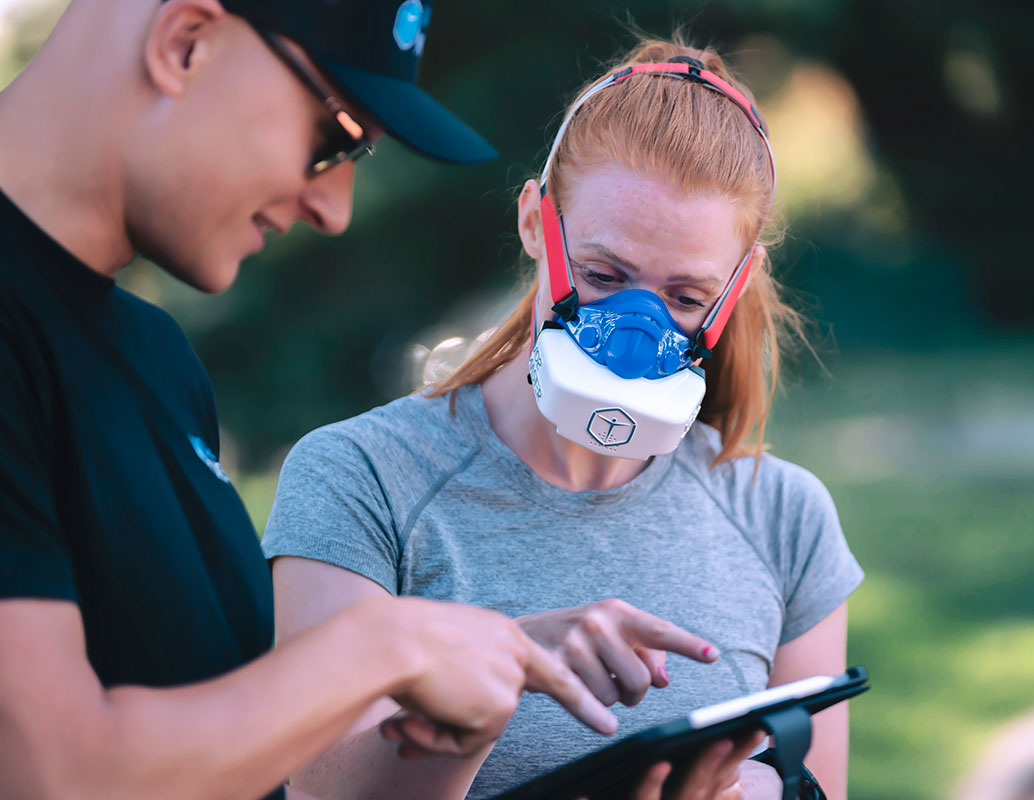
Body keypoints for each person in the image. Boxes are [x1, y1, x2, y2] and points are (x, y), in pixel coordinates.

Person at [0, 2, 631, 798]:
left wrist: (468, 652)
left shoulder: (155, 358)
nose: (336, 211)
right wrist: (385, 646)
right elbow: (49, 773)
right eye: (334, 138)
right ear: (185, 43)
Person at [264, 35, 865, 800]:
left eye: (684, 299)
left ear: (735, 289)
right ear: (532, 225)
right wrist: (494, 672)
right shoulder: (362, 478)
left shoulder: (785, 518)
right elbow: (324, 792)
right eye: (603, 274)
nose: (636, 330)